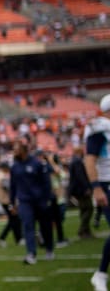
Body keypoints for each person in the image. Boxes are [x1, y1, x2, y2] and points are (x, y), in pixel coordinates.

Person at [10, 137, 54, 265]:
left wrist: (46, 198)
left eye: (16, 148)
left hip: (40, 200)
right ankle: (31, 253)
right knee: (28, 225)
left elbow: (46, 182)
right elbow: (13, 186)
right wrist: (12, 203)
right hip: (24, 201)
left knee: (45, 226)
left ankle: (49, 248)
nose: (14, 151)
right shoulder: (15, 167)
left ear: (23, 149)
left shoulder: (36, 163)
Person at [87, 94, 110, 291]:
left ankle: (101, 274)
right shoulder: (100, 130)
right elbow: (89, 160)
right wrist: (96, 187)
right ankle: (101, 274)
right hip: (106, 184)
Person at [0, 162, 22, 247]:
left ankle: (18, 238)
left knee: (14, 219)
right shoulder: (2, 176)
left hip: (3, 200)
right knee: (14, 220)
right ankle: (4, 238)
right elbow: (7, 187)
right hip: (7, 200)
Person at [67, 145, 93, 239]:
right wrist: (86, 187)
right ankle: (83, 229)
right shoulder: (77, 161)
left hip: (76, 189)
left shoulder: (73, 161)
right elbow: (80, 176)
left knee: (83, 209)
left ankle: (86, 231)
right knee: (89, 208)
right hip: (81, 189)